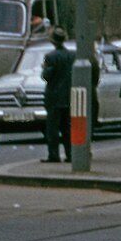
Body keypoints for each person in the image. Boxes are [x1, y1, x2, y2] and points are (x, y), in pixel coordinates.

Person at [40, 28, 74, 165]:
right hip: (68, 96)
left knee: (53, 128)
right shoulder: (72, 55)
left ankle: (54, 155)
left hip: (54, 97)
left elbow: (47, 76)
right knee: (67, 127)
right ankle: (70, 154)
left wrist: (44, 69)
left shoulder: (50, 57)